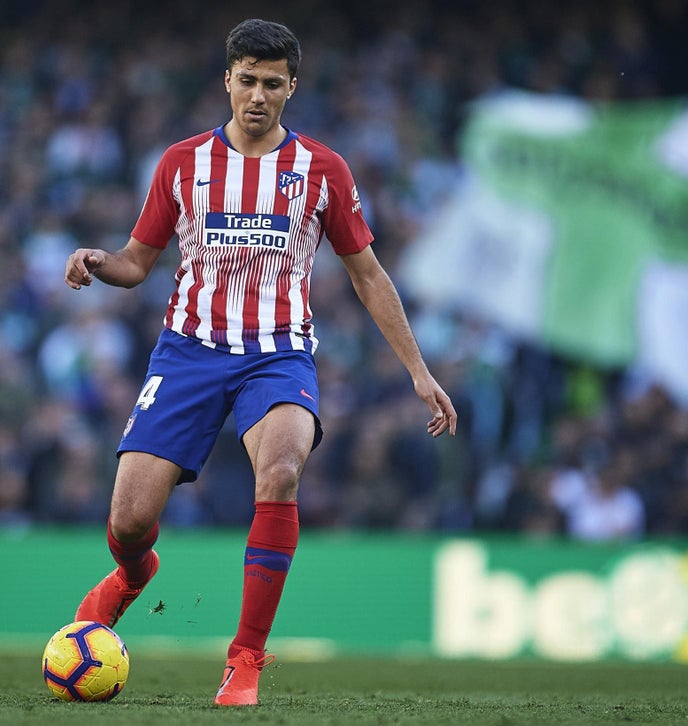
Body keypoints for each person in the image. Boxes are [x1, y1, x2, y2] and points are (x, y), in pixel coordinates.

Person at [63, 18, 457, 707]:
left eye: (272, 84)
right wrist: (100, 261)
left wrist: (419, 372)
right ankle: (131, 575)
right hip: (188, 352)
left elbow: (368, 275)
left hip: (278, 355)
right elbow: (136, 262)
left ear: (291, 88)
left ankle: (244, 660)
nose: (257, 95)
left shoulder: (322, 171)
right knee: (127, 521)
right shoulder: (181, 163)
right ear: (227, 79)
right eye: (247, 80)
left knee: (280, 472)